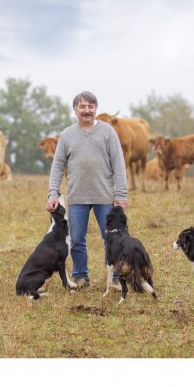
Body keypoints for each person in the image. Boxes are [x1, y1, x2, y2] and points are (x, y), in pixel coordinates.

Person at [46, 91, 128, 289]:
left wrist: (121, 195)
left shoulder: (108, 132)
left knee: (112, 238)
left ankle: (116, 277)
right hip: (77, 196)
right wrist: (53, 193)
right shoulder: (66, 135)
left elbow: (118, 163)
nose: (87, 111)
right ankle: (81, 276)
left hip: (105, 196)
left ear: (96, 109)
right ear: (75, 110)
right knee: (76, 240)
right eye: (82, 107)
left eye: (91, 107)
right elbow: (57, 166)